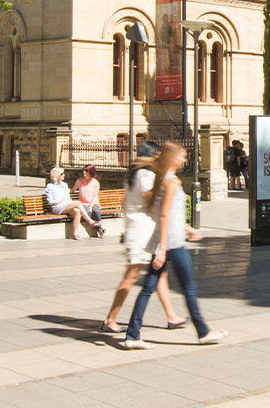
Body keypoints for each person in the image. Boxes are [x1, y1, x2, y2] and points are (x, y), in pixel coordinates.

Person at [124, 141, 225, 349]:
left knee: (148, 288)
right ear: (172, 158)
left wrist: (187, 227)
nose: (185, 159)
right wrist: (162, 248)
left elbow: (162, 211)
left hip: (168, 240)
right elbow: (163, 214)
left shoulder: (164, 180)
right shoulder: (171, 183)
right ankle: (203, 331)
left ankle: (132, 335)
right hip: (171, 243)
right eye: (182, 156)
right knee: (188, 286)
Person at [102, 142, 186, 333]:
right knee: (131, 277)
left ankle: (172, 316)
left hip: (141, 230)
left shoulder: (134, 174)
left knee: (159, 274)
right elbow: (151, 202)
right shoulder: (145, 175)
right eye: (156, 155)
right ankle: (110, 319)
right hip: (141, 233)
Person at [46, 166, 103, 239]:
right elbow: (50, 202)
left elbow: (68, 198)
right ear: (57, 175)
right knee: (78, 203)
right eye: (62, 174)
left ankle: (75, 234)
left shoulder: (64, 185)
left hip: (66, 206)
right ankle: (91, 222)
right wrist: (63, 201)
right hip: (57, 207)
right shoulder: (50, 186)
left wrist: (70, 202)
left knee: (77, 211)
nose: (64, 175)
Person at [74, 164, 103, 230]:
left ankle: (99, 228)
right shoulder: (79, 181)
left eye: (86, 170)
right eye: (83, 170)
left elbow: (95, 196)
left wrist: (91, 206)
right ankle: (100, 229)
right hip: (83, 204)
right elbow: (73, 190)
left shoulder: (95, 183)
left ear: (91, 172)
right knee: (87, 211)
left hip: (94, 203)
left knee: (95, 211)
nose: (84, 172)